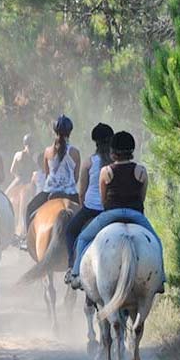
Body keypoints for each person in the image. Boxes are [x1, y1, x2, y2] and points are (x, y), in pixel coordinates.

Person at [68, 130, 165, 291]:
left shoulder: (106, 171)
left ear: (113, 153)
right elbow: (142, 198)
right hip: (135, 214)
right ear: (132, 152)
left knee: (83, 239)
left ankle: (76, 273)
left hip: (111, 214)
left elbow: (104, 198)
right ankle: (161, 277)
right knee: (157, 241)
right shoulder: (141, 171)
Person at [64, 123, 114, 282]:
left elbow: (82, 191)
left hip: (90, 209)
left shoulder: (89, 162)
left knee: (70, 231)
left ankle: (72, 267)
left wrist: (82, 205)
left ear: (95, 143)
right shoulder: (115, 162)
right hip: (109, 211)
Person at [25, 114, 81, 231]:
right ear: (70, 132)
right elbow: (76, 178)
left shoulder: (47, 151)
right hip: (70, 193)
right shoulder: (75, 152)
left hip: (49, 192)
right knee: (86, 217)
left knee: (29, 209)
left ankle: (26, 240)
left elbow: (47, 174)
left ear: (55, 131)